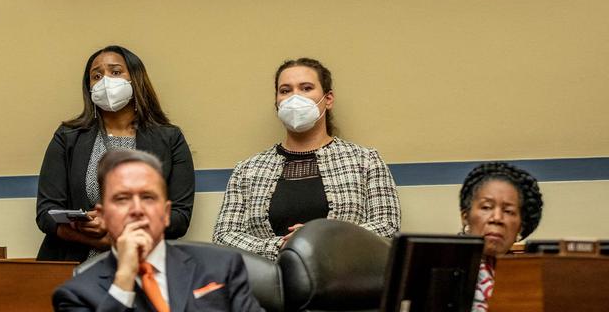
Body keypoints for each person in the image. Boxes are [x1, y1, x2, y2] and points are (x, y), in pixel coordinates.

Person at [212, 57, 400, 260]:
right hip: (269, 284)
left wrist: (321, 238)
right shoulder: (248, 170)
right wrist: (282, 245)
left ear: (328, 99)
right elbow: (223, 237)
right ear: (277, 103)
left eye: (306, 88)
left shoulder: (365, 160)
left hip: (345, 282)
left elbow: (387, 226)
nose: (295, 98)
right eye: (285, 90)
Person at [36, 45, 195, 262]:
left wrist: (115, 230)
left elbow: (178, 218)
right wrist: (96, 239)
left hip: (144, 264)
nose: (105, 81)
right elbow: (46, 213)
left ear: (135, 79)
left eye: (116, 72)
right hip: (71, 262)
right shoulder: (68, 136)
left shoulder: (169, 138)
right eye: (97, 76)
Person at [53, 148, 263, 312]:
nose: (137, 210)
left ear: (165, 213)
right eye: (122, 199)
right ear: (104, 215)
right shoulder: (76, 294)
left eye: (148, 197)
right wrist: (124, 278)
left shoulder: (221, 266)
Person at [459, 162, 543, 312]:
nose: (497, 218)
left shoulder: (529, 283)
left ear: (520, 227)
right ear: (465, 216)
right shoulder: (440, 271)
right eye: (486, 207)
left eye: (509, 211)